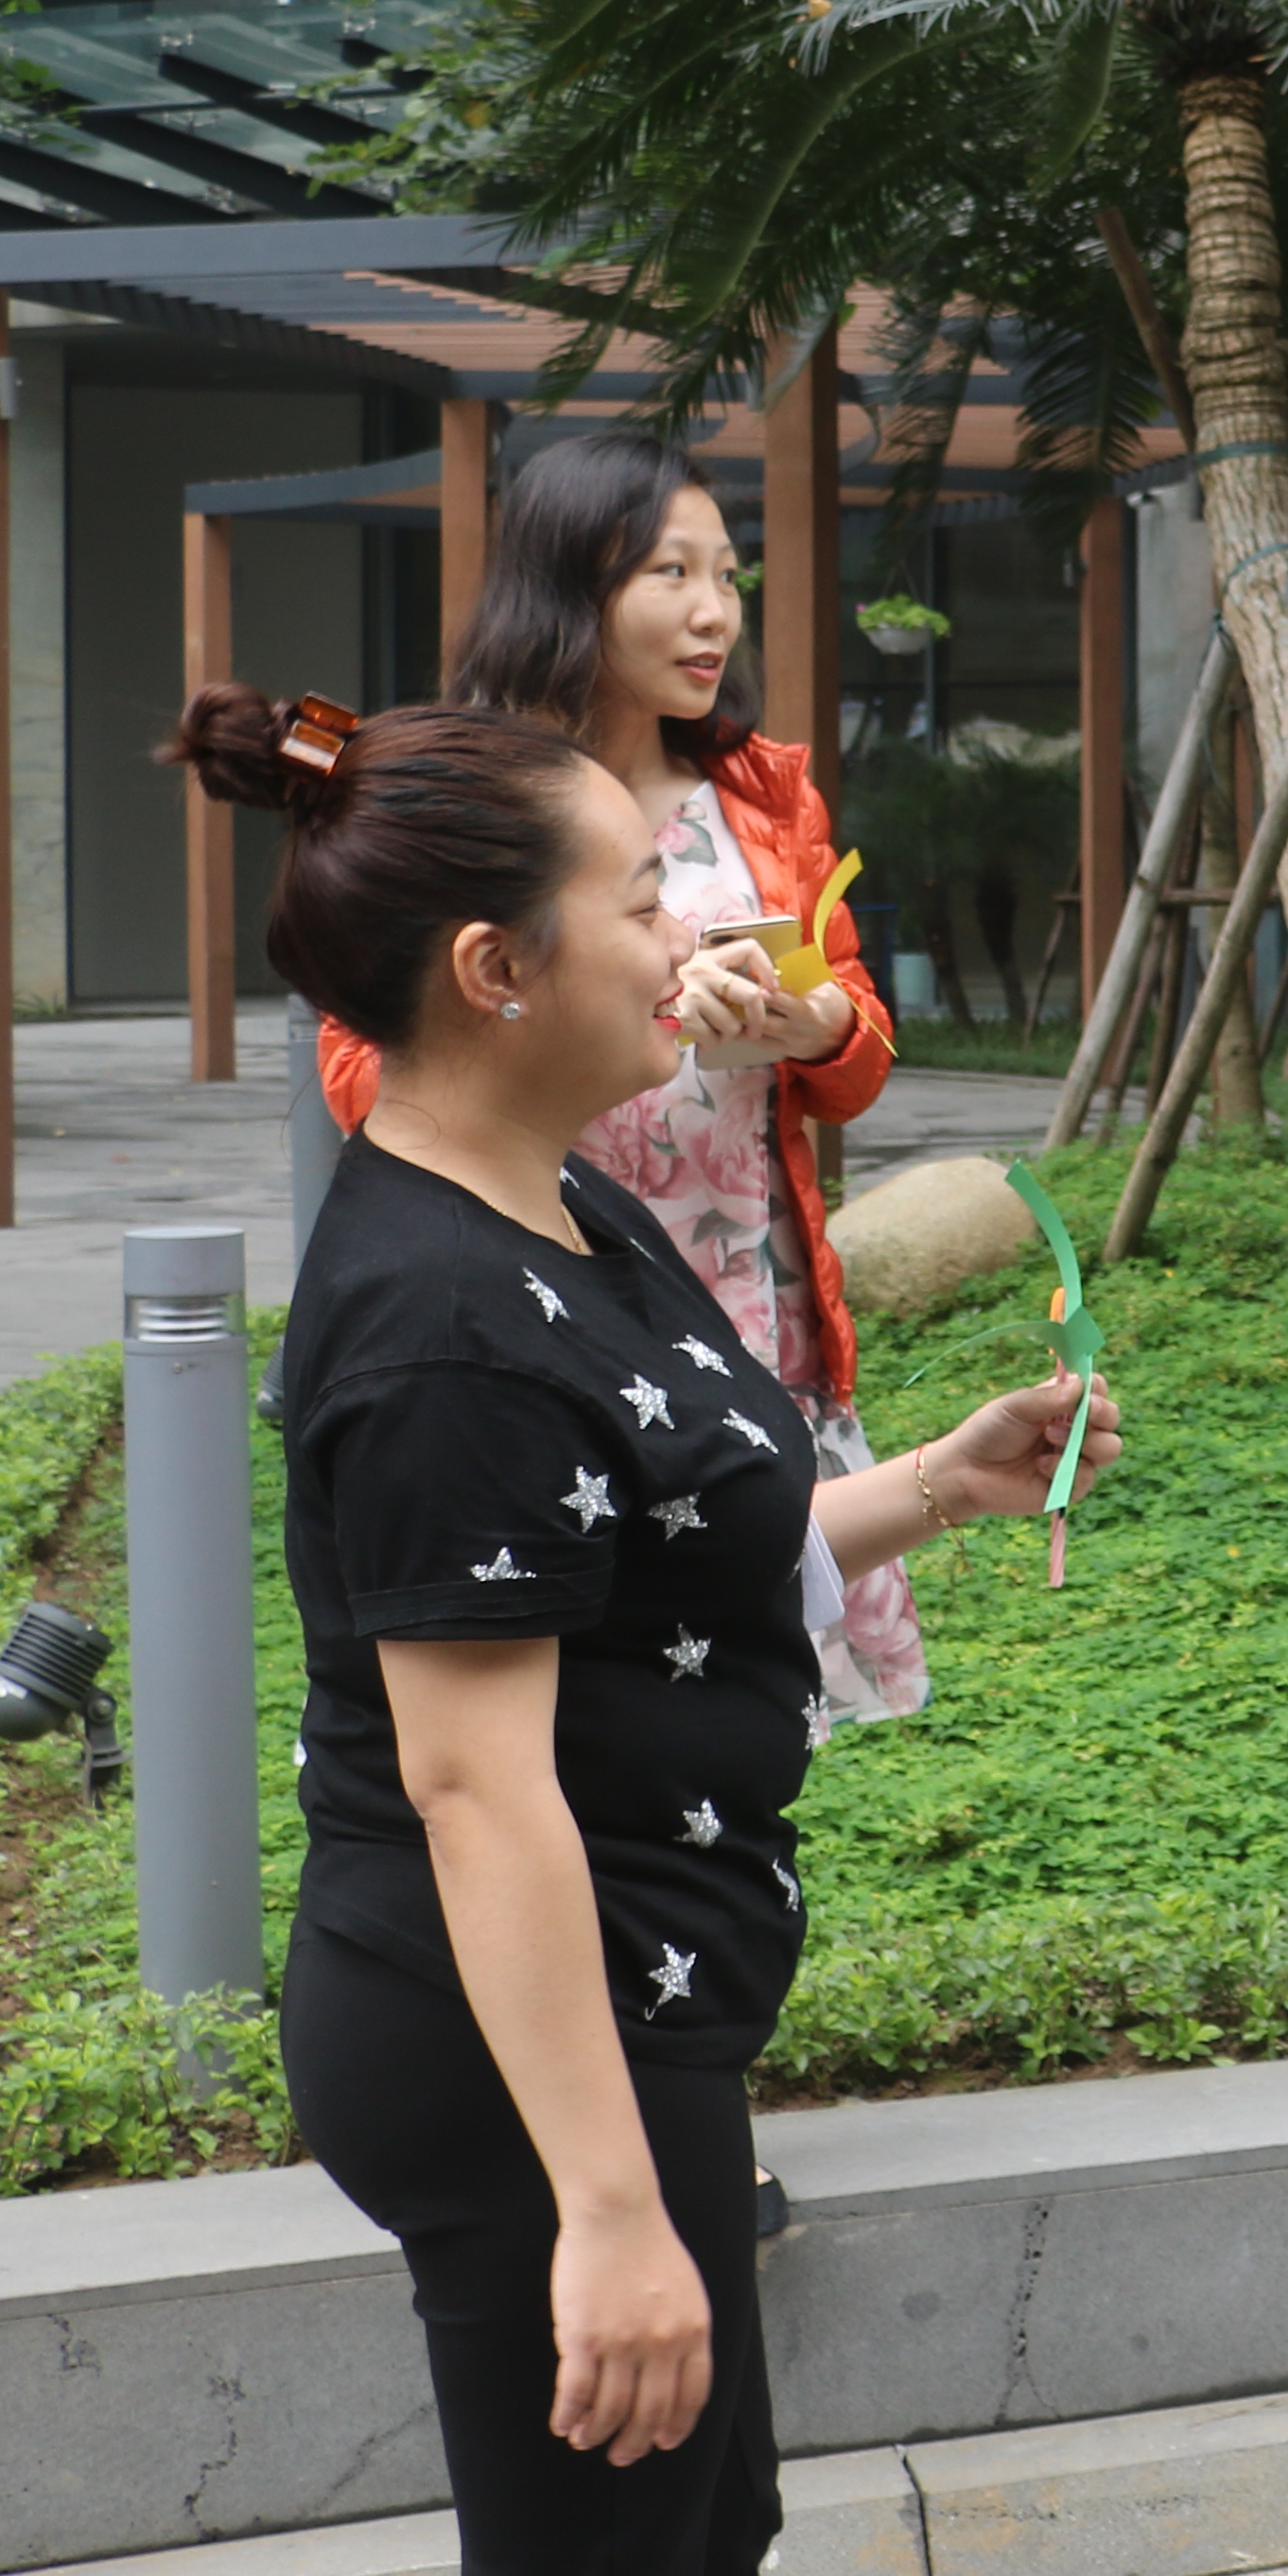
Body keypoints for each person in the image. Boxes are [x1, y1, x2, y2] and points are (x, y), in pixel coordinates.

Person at [177, 688, 1110, 2576]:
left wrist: (938, 1483)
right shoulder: (434, 1327)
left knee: (693, 2555)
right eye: (635, 895)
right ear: (492, 971)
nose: (696, 926)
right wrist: (609, 2211)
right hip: (529, 2037)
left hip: (624, 2003)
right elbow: (473, 1779)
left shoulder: (555, 1199)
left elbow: (675, 1550)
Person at [345, 431, 908, 1724]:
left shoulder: (765, 798)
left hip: (745, 1306)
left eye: (730, 574)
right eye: (671, 571)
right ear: (568, 583)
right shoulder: (459, 796)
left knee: (746, 1699)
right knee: (573, 1684)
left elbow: (861, 1054)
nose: (715, 611)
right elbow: (365, 1076)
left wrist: (805, 1020)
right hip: (541, 1297)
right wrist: (635, 1011)